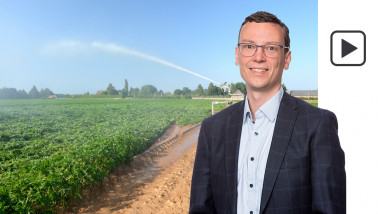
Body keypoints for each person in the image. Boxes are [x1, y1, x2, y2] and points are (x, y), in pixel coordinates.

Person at [189, 11, 346, 214]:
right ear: (237, 55)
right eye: (249, 46)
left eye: (271, 48)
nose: (259, 57)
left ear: (286, 59)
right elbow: (201, 209)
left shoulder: (317, 125)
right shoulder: (212, 129)